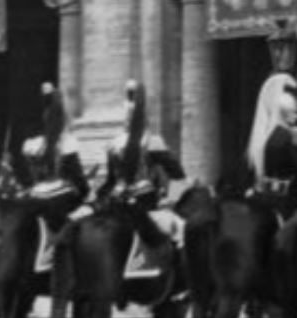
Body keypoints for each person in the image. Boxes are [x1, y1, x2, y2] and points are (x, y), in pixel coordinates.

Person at [95, 80, 186, 246]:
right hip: (145, 201)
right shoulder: (152, 141)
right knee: (179, 234)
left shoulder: (113, 144)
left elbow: (110, 181)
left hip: (116, 201)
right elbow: (177, 173)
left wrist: (97, 198)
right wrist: (171, 200)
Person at [246, 73, 297, 216]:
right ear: (286, 113)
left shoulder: (263, 137)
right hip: (289, 201)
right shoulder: (294, 135)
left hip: (265, 199)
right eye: (295, 112)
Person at [21, 82, 90, 223]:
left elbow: (31, 176)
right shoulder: (67, 145)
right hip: (60, 196)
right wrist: (86, 193)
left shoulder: (34, 146)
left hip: (37, 194)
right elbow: (79, 179)